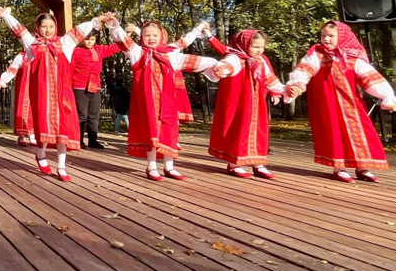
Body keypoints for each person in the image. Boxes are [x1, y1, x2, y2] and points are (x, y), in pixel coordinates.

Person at [0, 7, 111, 182]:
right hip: (43, 97)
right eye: (43, 26)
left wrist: (98, 19)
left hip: (63, 96)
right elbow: (20, 30)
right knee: (44, 129)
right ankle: (41, 154)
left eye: (50, 26)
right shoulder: (32, 45)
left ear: (55, 27)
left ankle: (61, 166)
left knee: (63, 130)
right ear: (38, 28)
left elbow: (80, 30)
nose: (47, 30)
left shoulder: (65, 43)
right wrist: (5, 15)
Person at [106, 15, 221, 181]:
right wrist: (114, 26)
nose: (151, 38)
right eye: (147, 36)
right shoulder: (137, 53)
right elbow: (123, 40)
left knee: (169, 131)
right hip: (147, 104)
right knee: (151, 132)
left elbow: (193, 59)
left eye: (155, 35)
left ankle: (169, 167)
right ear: (142, 37)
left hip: (167, 103)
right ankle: (151, 166)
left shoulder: (170, 54)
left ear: (161, 37)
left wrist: (216, 65)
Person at [285, 20, 396, 182]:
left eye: (331, 36)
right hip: (327, 102)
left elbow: (369, 77)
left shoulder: (353, 56)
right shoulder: (316, 54)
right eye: (323, 35)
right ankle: (339, 167)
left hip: (351, 103)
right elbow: (304, 69)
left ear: (341, 37)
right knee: (334, 131)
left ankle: (363, 167)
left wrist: (387, 95)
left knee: (363, 131)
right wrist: (298, 83)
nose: (326, 39)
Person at [204, 29, 284, 179]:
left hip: (257, 103)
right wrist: (221, 69)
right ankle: (235, 164)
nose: (259, 50)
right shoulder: (235, 58)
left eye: (262, 47)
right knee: (240, 129)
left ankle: (259, 164)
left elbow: (269, 77)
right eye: (255, 47)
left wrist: (279, 91)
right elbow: (227, 65)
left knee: (259, 131)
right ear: (244, 45)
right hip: (239, 103)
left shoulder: (261, 60)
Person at [70, 30, 124, 149]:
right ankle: (78, 140)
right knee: (81, 115)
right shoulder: (76, 51)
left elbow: (116, 47)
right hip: (79, 86)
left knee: (93, 115)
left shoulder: (99, 49)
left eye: (92, 39)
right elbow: (71, 68)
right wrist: (68, 85)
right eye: (86, 39)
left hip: (95, 85)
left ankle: (93, 140)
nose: (89, 42)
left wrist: (127, 34)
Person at [0, 52, 36, 147]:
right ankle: (21, 135)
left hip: (37, 86)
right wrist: (3, 80)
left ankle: (33, 134)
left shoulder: (41, 54)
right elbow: (13, 69)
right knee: (22, 108)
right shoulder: (22, 56)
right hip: (24, 86)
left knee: (35, 110)